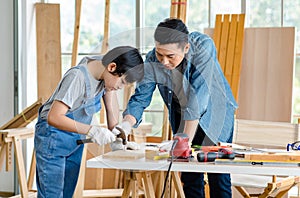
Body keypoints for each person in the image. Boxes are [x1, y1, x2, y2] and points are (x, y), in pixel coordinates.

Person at [122, 18, 238, 198]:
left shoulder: (203, 47)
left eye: (170, 57)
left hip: (216, 116)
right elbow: (140, 97)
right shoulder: (152, 59)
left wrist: (184, 140)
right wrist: (125, 125)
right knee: (190, 175)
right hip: (183, 116)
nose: (164, 62)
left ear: (186, 48)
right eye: (160, 54)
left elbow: (198, 98)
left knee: (218, 174)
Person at [34, 46, 144, 198]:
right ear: (112, 67)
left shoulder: (106, 74)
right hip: (53, 138)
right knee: (52, 194)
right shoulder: (77, 77)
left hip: (75, 140)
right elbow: (54, 117)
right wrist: (92, 130)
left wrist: (119, 137)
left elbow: (111, 110)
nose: (120, 87)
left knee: (67, 193)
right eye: (123, 82)